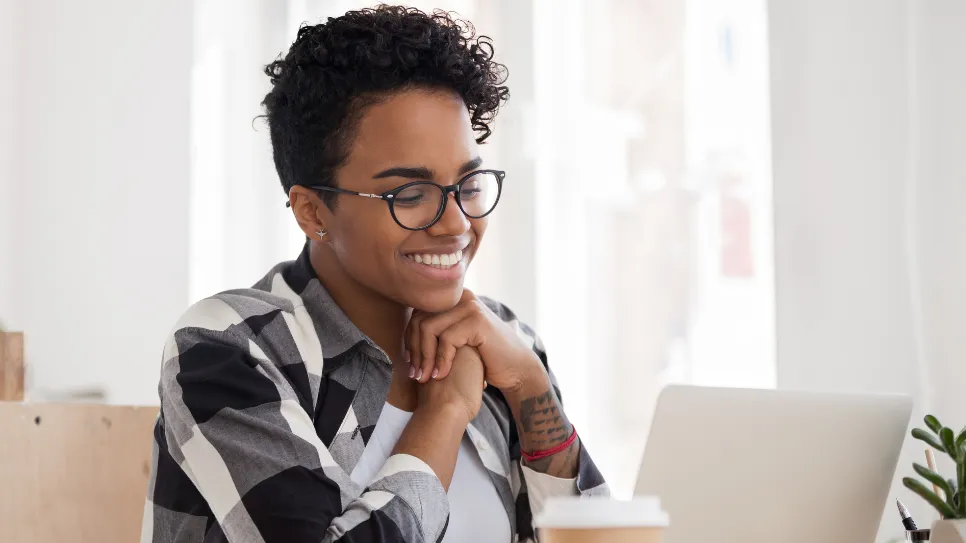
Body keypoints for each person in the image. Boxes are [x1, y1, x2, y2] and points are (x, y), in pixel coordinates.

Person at [143, 6, 608, 543]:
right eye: (410, 195)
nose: (456, 223)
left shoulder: (501, 341)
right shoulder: (229, 349)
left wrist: (530, 383)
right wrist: (447, 410)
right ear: (312, 211)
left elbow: (599, 535)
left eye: (469, 184)